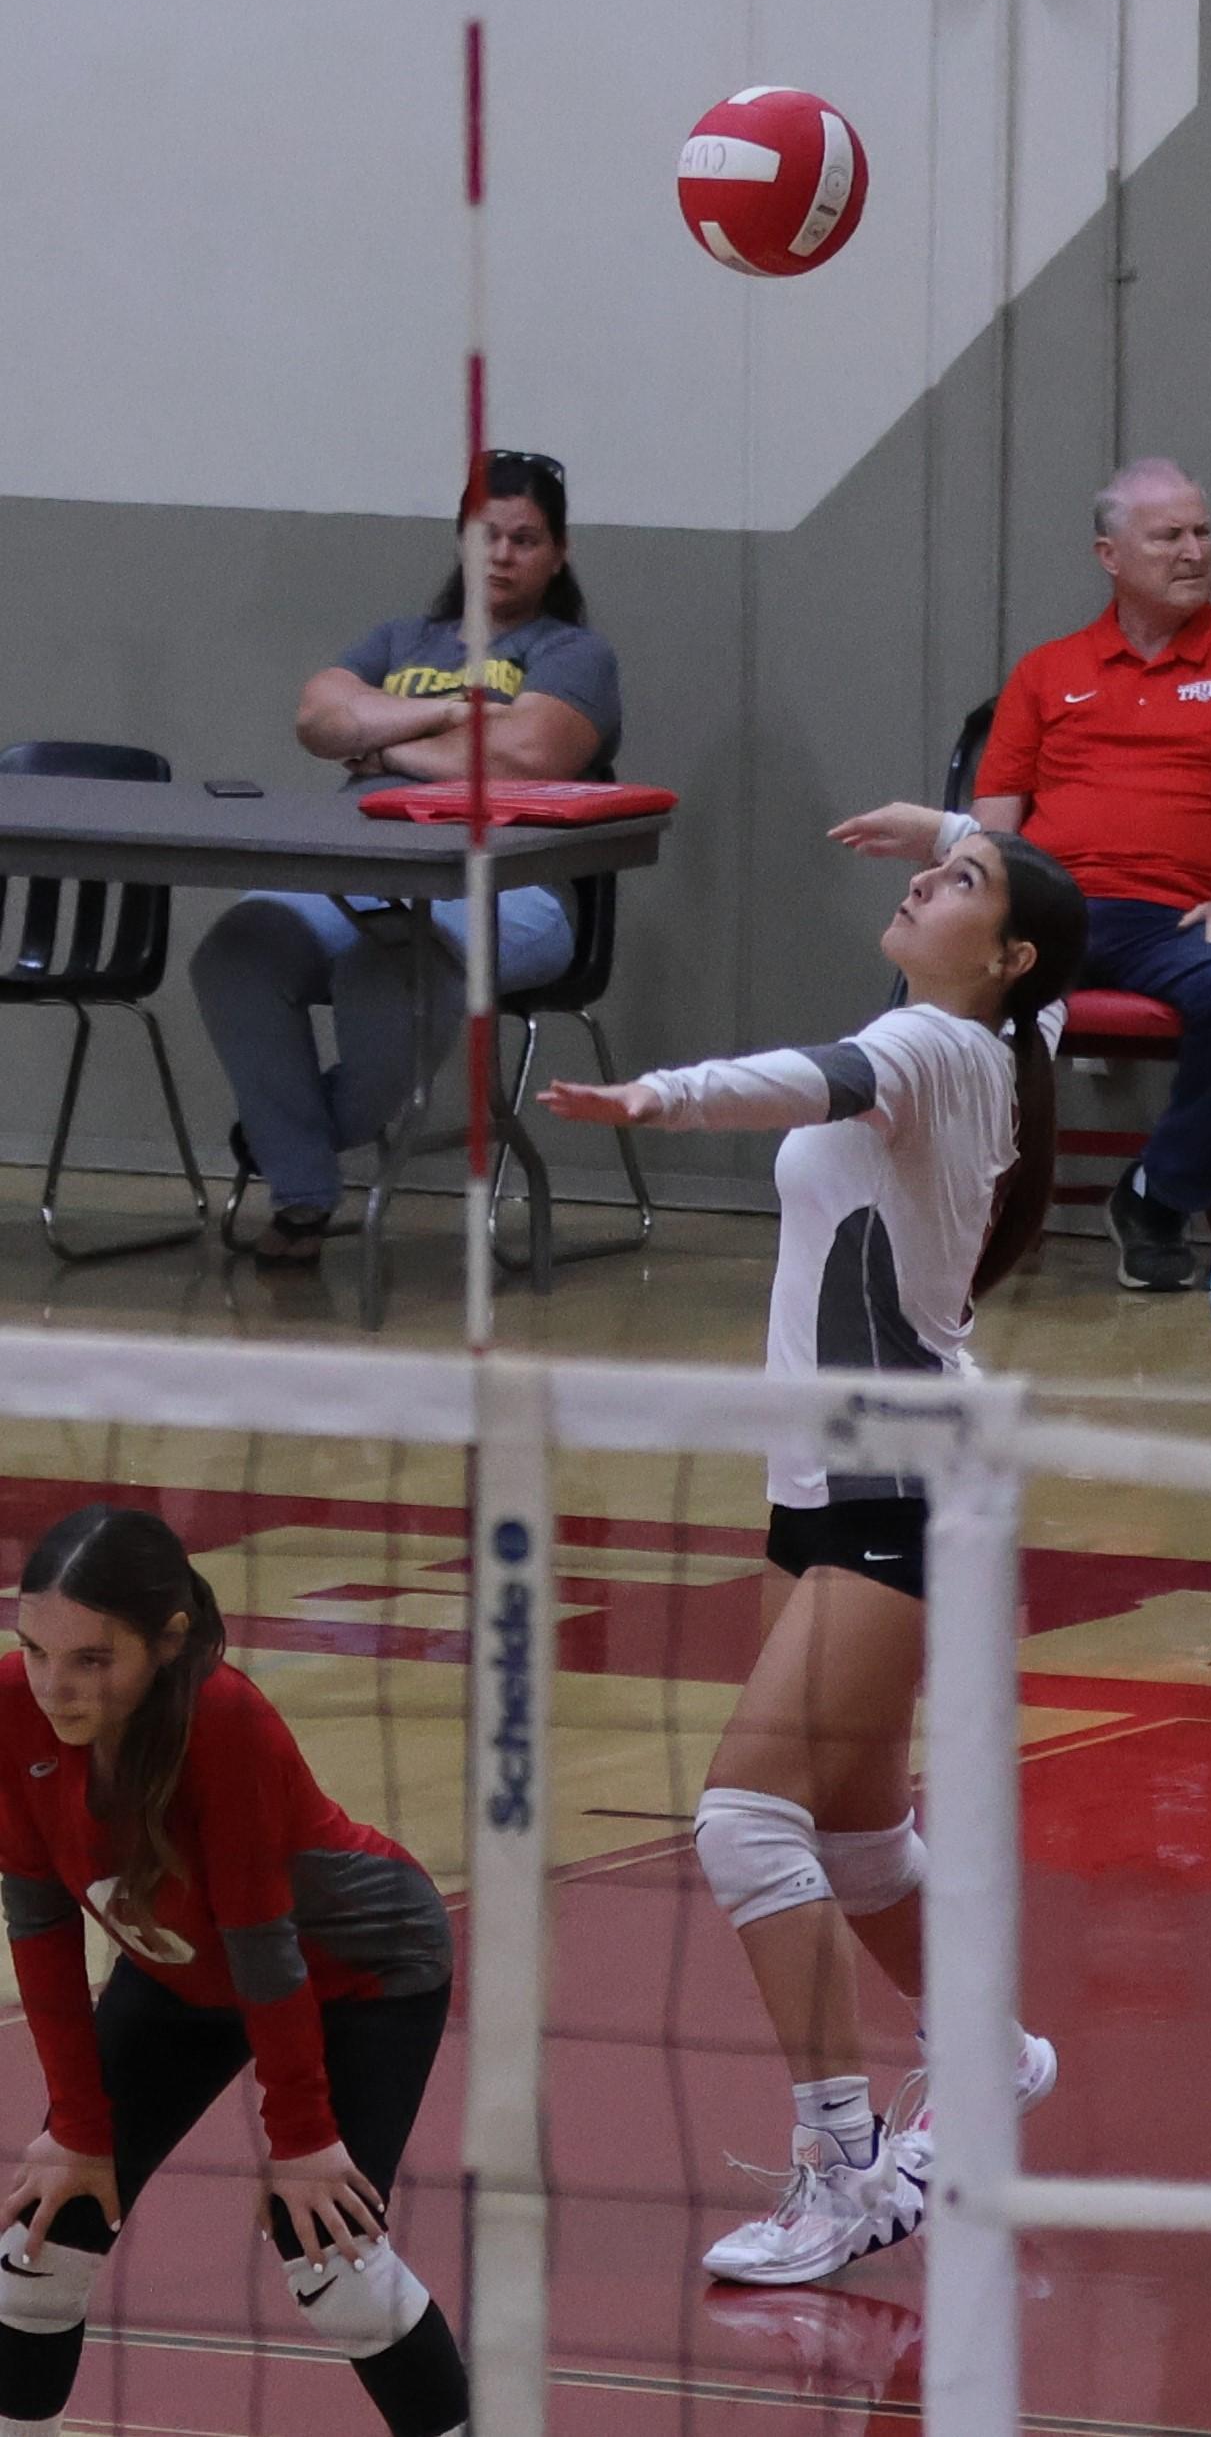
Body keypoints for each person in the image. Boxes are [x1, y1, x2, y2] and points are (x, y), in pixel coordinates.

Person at [540, 827, 1088, 2285]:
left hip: (897, 1478)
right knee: (848, 1838)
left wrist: (656, 1095)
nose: (923, 887)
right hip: (824, 1473)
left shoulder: (932, 1048)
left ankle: (844, 2173)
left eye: (959, 886)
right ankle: (990, 2061)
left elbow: (810, 1079)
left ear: (1007, 958)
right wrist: (952, 833)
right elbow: (1029, 951)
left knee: (743, 1821)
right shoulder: (1003, 1028)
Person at [0, 1506, 466, 2437]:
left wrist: (300, 2139)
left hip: (357, 1972)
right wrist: (78, 2129)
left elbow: (266, 1946)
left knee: (327, 2258)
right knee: (43, 2239)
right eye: (35, 1650)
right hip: (182, 1972)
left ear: (168, 1643)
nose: (56, 1684)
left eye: (92, 1659)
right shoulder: (11, 1705)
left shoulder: (225, 1720)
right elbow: (40, 1923)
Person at [837, 461, 1211, 1291]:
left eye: (1202, 532)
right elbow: (995, 830)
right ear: (1110, 556)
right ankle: (909, 1198)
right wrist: (968, 901)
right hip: (1051, 911)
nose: (1194, 552)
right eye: (1168, 537)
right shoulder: (1047, 672)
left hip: (1188, 922)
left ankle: (1157, 1198)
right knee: (937, 978)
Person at [191, 448, 622, 1265]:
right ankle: (306, 1192)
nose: (501, 554)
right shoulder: (401, 636)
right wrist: (456, 725)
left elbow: (526, 756)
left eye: (525, 539)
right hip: (357, 870)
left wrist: (385, 741)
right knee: (237, 952)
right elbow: (319, 720)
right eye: (486, 535)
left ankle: (300, 1158)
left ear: (557, 554)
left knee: (387, 965)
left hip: (509, 887)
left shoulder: (574, 655)